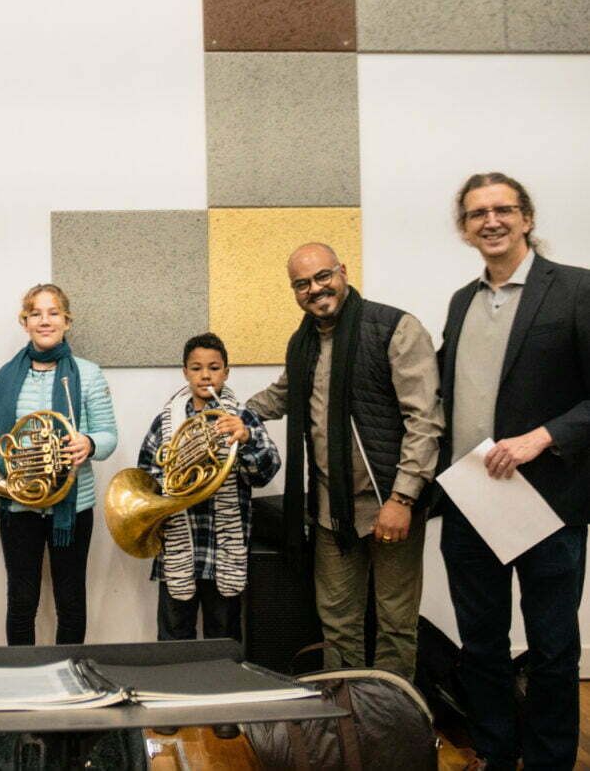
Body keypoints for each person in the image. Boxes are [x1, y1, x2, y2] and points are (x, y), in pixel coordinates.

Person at [437, 173, 590, 770]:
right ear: (465, 228)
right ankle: (496, 754)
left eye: (503, 209)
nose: (491, 221)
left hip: (548, 500)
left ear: (527, 218)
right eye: (477, 213)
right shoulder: (461, 301)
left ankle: (551, 761)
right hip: (470, 502)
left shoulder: (576, 289)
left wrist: (542, 437)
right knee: (481, 646)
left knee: (552, 648)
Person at [246, 243, 443, 679]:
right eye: (302, 284)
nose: (315, 289)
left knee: (395, 624)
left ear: (343, 271)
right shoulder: (303, 343)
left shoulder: (395, 328)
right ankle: (346, 709)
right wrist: (236, 415)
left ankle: (391, 712)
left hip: (390, 504)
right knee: (337, 625)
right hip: (331, 513)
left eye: (323, 276)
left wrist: (403, 498)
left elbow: (425, 420)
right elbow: (283, 394)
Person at [0, 283, 117, 645]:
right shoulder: (4, 375)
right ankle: (23, 673)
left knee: (71, 600)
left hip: (72, 505)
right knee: (21, 601)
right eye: (36, 314)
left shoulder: (87, 373)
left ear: (67, 321)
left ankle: (69, 670)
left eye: (53, 313)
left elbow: (108, 435)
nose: (45, 320)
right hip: (17, 504)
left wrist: (89, 443)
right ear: (24, 322)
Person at [137, 333, 280, 641]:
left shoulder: (241, 417)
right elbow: (147, 473)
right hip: (177, 543)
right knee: (174, 636)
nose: (205, 375)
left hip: (223, 545)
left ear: (226, 372)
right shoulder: (166, 421)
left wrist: (246, 439)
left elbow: (266, 471)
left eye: (214, 368)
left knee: (224, 635)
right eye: (196, 368)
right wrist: (174, 479)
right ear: (185, 372)